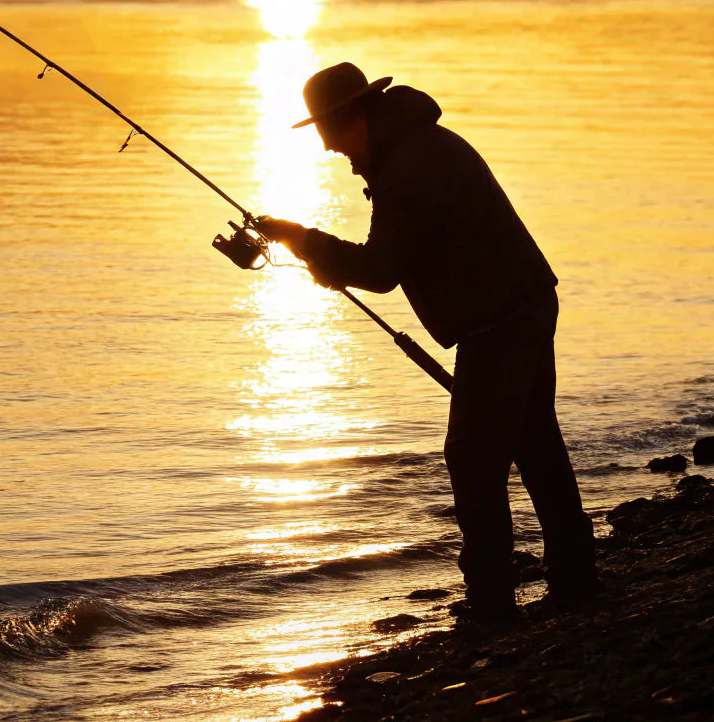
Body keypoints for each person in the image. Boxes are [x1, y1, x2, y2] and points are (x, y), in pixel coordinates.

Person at [254, 62, 597, 623]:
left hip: (499, 320)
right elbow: (402, 255)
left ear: (352, 118)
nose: (331, 150)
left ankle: (492, 602)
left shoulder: (407, 169)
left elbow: (380, 269)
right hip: (524, 301)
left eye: (330, 136)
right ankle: (575, 576)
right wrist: (313, 251)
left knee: (473, 458)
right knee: (535, 442)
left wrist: (302, 238)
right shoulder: (416, 145)